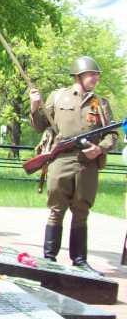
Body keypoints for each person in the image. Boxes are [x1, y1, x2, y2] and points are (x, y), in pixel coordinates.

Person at [29, 57, 117, 273]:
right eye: (91, 74)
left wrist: (100, 149)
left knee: (82, 210)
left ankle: (79, 260)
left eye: (97, 75)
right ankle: (49, 258)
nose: (95, 78)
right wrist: (34, 106)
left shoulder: (100, 103)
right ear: (78, 75)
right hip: (61, 158)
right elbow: (40, 125)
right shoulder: (58, 96)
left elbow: (113, 134)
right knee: (56, 209)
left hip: (87, 163)